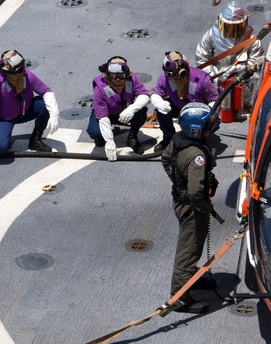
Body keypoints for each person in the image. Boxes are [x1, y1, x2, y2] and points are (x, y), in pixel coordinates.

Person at [162, 102, 220, 314]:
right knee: (189, 250)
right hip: (192, 209)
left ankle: (190, 278)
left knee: (191, 247)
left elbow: (165, 160)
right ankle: (179, 297)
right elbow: (197, 191)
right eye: (208, 124)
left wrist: (179, 183)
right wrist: (205, 206)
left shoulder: (178, 141)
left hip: (179, 201)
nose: (211, 126)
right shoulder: (197, 156)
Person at [0, 50, 59, 156]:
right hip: (4, 119)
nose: (23, 72)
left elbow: (46, 92)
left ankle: (35, 140)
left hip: (24, 111)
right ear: (7, 73)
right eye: (19, 71)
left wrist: (54, 114)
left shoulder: (26, 75)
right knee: (0, 148)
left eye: (23, 68)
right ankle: (0, 134)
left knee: (45, 105)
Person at [195, 1, 265, 108]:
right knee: (202, 80)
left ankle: (247, 105)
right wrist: (214, 76)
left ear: (244, 24)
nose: (232, 31)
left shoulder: (251, 39)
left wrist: (237, 69)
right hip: (217, 77)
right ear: (220, 22)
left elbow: (258, 61)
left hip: (241, 77)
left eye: (236, 27)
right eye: (228, 27)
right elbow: (201, 59)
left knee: (255, 78)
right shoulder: (211, 35)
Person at [150, 51, 219, 153]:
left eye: (170, 74)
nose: (168, 77)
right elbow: (156, 93)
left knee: (209, 125)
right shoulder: (165, 78)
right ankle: (168, 138)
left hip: (200, 112)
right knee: (161, 111)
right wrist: (159, 102)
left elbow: (215, 100)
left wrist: (207, 116)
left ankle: (199, 140)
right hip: (180, 106)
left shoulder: (202, 80)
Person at [87, 56, 150, 160]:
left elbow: (144, 95)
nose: (117, 80)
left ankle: (132, 138)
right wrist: (109, 141)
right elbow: (102, 117)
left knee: (141, 111)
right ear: (107, 75)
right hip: (105, 115)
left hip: (125, 113)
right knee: (94, 132)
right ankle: (101, 137)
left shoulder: (132, 79)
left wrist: (132, 109)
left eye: (121, 76)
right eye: (114, 76)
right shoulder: (100, 87)